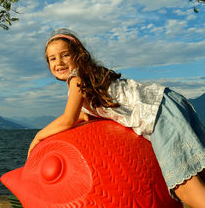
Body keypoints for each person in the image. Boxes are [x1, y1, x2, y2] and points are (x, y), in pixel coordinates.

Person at [28, 29, 205, 208]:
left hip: (158, 111)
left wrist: (39, 136)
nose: (59, 62)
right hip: (165, 102)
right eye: (52, 58)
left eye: (65, 55)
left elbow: (69, 119)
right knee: (201, 174)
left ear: (79, 55)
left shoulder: (77, 78)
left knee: (185, 188)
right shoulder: (88, 78)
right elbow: (83, 116)